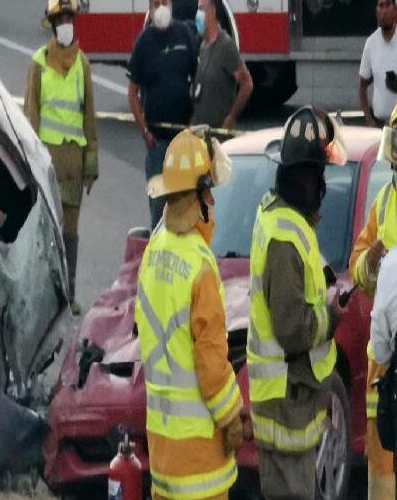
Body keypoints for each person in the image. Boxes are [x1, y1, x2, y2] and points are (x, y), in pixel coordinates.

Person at [135, 128, 244, 500]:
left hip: (163, 452)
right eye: (209, 191)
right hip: (201, 464)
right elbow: (210, 361)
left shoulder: (153, 250)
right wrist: (231, 416)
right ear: (196, 198)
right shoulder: (200, 264)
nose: (213, 200)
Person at [247, 107, 348, 500]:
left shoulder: (279, 214)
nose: (324, 185)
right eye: (320, 175)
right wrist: (332, 317)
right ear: (306, 177)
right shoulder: (285, 236)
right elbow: (293, 329)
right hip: (288, 400)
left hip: (290, 400)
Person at [24, 0, 98, 315]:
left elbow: (89, 117)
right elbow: (31, 115)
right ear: (53, 26)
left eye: (70, 18)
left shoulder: (83, 64)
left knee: (70, 230)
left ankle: (68, 294)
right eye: (62, 19)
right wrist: (30, 161)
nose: (67, 24)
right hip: (48, 160)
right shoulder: (39, 63)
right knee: (47, 228)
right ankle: (45, 296)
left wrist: (91, 162)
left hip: (73, 161)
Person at [349, 104, 397, 499]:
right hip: (384, 370)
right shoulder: (384, 202)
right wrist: (371, 262)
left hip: (386, 360)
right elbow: (359, 270)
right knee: (382, 477)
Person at [128, 0, 198, 229]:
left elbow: (197, 79)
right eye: (156, 3)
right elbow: (133, 91)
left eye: (164, 2)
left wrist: (192, 122)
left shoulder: (184, 35)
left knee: (186, 207)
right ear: (149, 7)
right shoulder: (143, 43)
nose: (161, 7)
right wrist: (145, 131)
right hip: (157, 144)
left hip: (183, 142)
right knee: (159, 213)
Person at [191, 0, 253, 131]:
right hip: (202, 133)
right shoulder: (203, 46)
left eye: (202, 9)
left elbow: (247, 84)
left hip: (220, 134)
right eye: (198, 9)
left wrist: (231, 118)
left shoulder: (225, 45)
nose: (198, 14)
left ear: (212, 12)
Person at [359, 0, 397, 128]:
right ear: (376, 10)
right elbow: (362, 86)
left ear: (395, 9)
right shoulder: (371, 43)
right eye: (381, 6)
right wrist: (369, 120)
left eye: (388, 5)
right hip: (379, 124)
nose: (384, 11)